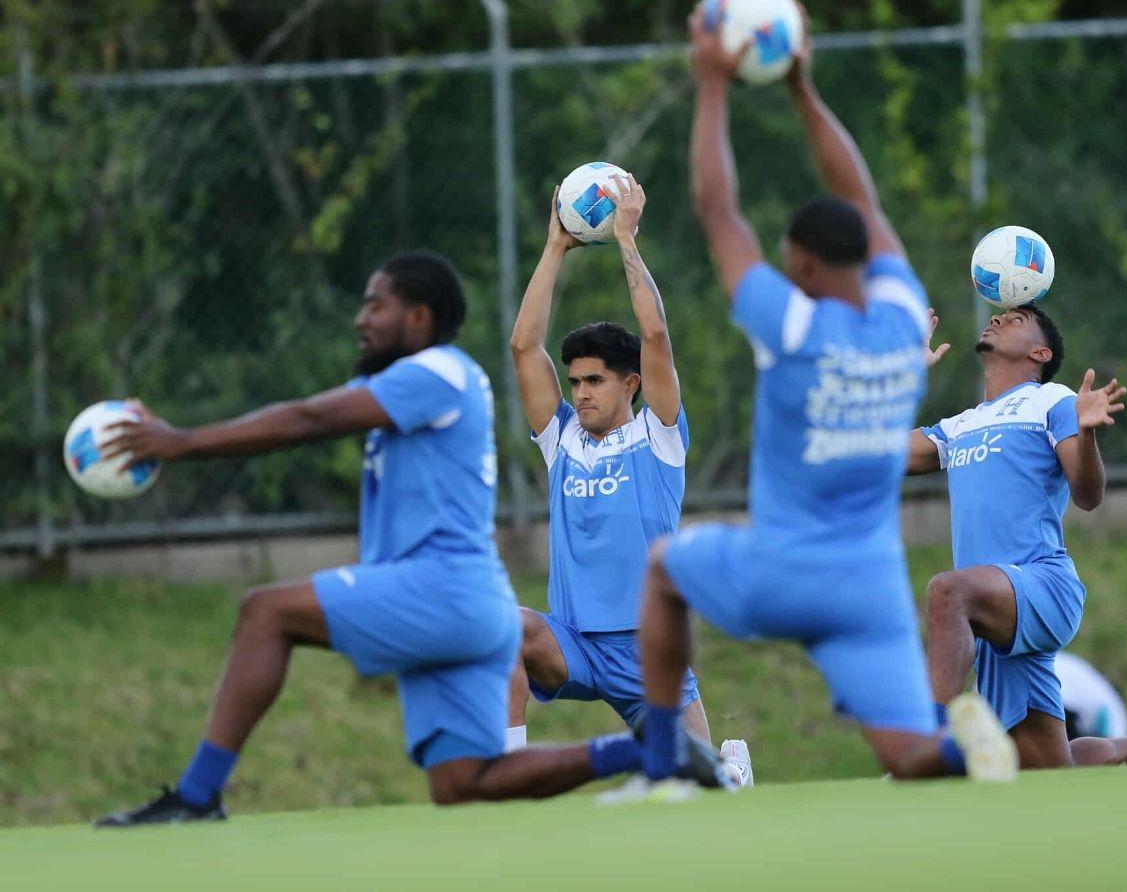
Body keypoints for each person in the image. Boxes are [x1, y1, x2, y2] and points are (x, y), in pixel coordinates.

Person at [93, 252, 687, 826]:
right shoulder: (504, 412)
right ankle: (643, 752)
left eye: (376, 305)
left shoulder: (438, 371)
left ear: (419, 318)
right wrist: (556, 243)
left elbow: (310, 419)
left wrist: (183, 442)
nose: (361, 319)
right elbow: (523, 347)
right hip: (502, 615)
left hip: (445, 591)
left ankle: (197, 797)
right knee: (461, 783)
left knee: (265, 613)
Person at [633, 6, 1016, 788]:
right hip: (870, 583)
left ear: (803, 263)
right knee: (906, 755)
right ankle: (959, 746)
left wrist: (712, 84)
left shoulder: (793, 328)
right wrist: (804, 91)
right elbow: (866, 204)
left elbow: (717, 211)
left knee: (667, 569)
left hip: (784, 565)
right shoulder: (906, 318)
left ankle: (665, 764)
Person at [507, 176, 752, 785]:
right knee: (505, 632)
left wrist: (625, 240)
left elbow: (656, 338)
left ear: (630, 384)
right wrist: (555, 247)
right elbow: (522, 345)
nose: (581, 393)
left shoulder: (659, 435)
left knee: (701, 786)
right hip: (575, 642)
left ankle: (726, 767)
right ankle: (501, 774)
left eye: (595, 381)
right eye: (576, 383)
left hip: (648, 649)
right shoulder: (560, 439)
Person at [912, 303, 1127, 768]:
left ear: (1040, 353)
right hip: (993, 615)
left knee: (946, 592)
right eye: (999, 315)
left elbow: (1088, 494)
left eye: (1017, 320)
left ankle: (924, 744)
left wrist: (1085, 436)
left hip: (1040, 586)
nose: (999, 318)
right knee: (1048, 770)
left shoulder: (1053, 401)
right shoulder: (960, 425)